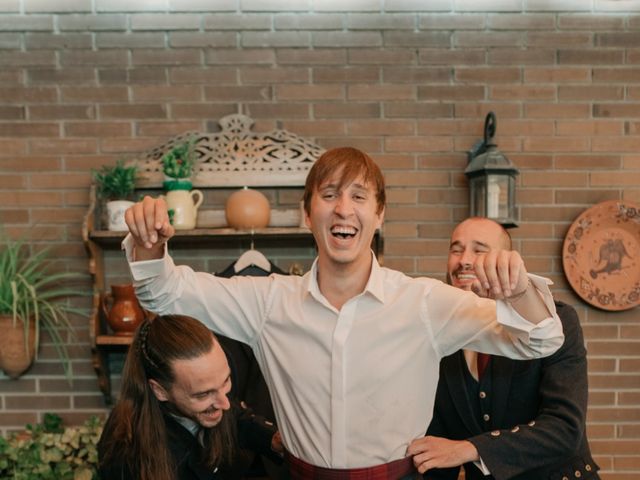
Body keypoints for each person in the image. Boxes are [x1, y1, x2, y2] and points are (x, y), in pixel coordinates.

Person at [123, 146, 564, 478]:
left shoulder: (425, 303)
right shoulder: (267, 301)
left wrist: (519, 287)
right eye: (329, 194)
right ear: (307, 213)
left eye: (359, 196)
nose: (343, 208)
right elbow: (163, 292)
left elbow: (539, 339)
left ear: (379, 215)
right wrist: (149, 241)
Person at [408, 217, 600, 479]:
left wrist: (471, 448)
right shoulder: (436, 330)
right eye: (456, 249)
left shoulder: (555, 323)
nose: (464, 259)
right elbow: (438, 446)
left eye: (479, 250)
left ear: (504, 259)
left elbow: (564, 428)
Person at [97, 314, 283, 480]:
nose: (224, 403)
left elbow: (237, 418)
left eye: (225, 381)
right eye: (203, 394)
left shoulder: (214, 391)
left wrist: (271, 439)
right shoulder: (125, 451)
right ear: (160, 390)